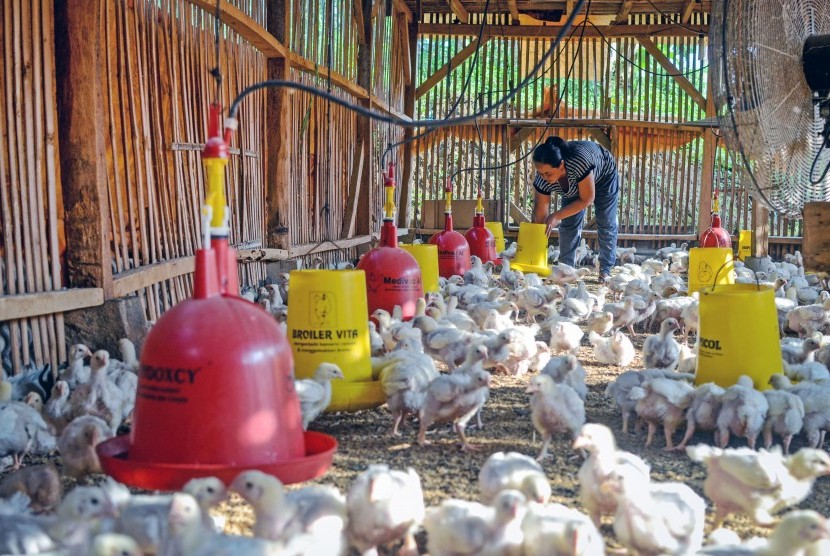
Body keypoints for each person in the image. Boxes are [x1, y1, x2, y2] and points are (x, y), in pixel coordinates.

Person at [531, 136, 619, 281]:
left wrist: (556, 216)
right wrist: (536, 250)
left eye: (548, 173)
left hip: (604, 175)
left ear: (561, 165)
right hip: (573, 182)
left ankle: (605, 270)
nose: (544, 177)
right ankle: (566, 269)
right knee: (569, 224)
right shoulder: (542, 179)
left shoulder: (578, 163)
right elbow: (540, 217)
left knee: (606, 222)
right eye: (540, 173)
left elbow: (587, 199)